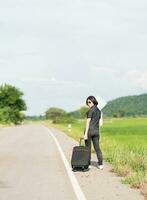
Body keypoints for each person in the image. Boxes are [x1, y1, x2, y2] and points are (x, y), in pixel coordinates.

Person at [84, 96, 103, 169]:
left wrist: (85, 134)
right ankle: (100, 164)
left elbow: (88, 122)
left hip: (89, 132)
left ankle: (88, 164)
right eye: (87, 102)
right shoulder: (99, 111)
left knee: (88, 148)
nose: (88, 104)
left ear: (93, 101)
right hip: (96, 132)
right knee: (97, 148)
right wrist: (99, 135)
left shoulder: (90, 110)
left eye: (89, 102)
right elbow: (98, 124)